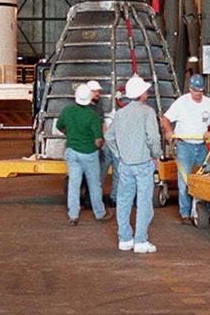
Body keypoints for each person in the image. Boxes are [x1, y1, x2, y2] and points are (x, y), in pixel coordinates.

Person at [105, 75, 163, 254]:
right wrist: (157, 155)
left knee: (124, 201)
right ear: (142, 94)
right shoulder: (148, 112)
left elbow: (108, 136)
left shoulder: (120, 114)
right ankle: (140, 241)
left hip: (125, 164)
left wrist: (119, 153)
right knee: (144, 202)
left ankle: (124, 239)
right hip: (143, 163)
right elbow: (153, 138)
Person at [161, 74, 210, 224]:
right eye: (195, 91)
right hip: (184, 146)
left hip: (201, 146)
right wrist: (169, 131)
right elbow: (165, 119)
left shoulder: (208, 103)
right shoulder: (181, 103)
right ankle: (185, 214)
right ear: (190, 89)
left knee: (208, 177)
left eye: (201, 91)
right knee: (184, 180)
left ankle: (208, 211)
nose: (198, 94)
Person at [57, 84, 110, 225]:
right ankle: (100, 213)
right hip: (89, 154)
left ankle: (73, 215)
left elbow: (59, 126)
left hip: (72, 152)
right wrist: (98, 146)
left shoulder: (67, 111)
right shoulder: (93, 115)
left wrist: (69, 134)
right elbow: (99, 140)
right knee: (94, 184)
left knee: (74, 184)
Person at [85, 79, 117, 206]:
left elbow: (103, 126)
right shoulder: (88, 109)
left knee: (97, 173)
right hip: (92, 146)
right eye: (95, 91)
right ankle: (95, 199)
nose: (98, 93)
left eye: (98, 91)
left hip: (98, 145)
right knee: (96, 174)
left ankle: (96, 199)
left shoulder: (98, 109)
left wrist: (107, 140)